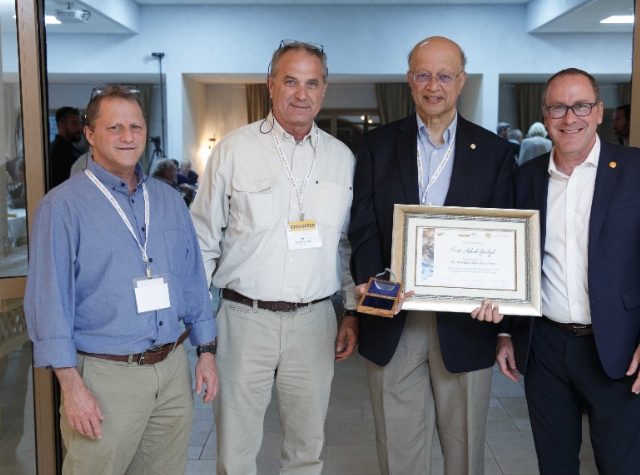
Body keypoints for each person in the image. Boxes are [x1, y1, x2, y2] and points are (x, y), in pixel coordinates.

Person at [25, 86, 219, 475]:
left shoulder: (168, 200)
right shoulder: (61, 207)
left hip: (172, 372)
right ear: (90, 134)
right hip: (105, 377)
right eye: (114, 127)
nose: (127, 136)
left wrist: (207, 352)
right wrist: (72, 387)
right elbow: (49, 303)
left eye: (135, 126)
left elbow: (192, 280)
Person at [496, 68, 640, 474]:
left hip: (618, 346)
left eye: (581, 106)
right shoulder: (525, 178)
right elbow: (512, 260)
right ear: (545, 115)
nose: (569, 118)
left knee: (621, 465)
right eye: (558, 108)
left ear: (598, 112)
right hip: (544, 346)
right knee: (554, 464)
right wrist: (506, 330)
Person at [190, 41, 358, 475]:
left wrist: (352, 312)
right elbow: (202, 241)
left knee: (307, 449)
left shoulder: (342, 159)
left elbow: (345, 246)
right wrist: (201, 330)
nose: (301, 94)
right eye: (290, 81)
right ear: (270, 85)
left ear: (324, 89)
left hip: (315, 322)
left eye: (312, 83)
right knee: (235, 452)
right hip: (243, 321)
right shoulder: (233, 150)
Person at [348, 36, 513, 475]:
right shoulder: (377, 144)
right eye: (423, 74)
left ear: (461, 81)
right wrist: (376, 294)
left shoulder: (495, 153)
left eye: (444, 75)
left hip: (466, 322)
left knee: (465, 453)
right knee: (399, 452)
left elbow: (503, 239)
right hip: (393, 317)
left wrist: (501, 306)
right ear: (409, 79)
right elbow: (363, 227)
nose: (433, 85)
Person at [49, 106, 84, 188]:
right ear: (61, 125)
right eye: (74, 124)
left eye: (80, 123)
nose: (79, 128)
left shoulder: (69, 149)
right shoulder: (59, 152)